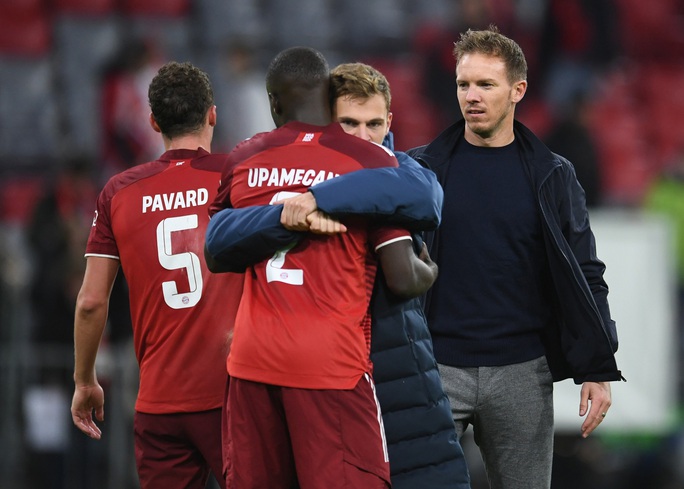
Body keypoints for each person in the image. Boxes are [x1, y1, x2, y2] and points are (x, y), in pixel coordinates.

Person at [205, 46, 444, 489]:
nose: (363, 133)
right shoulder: (370, 164)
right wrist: (429, 273)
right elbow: (413, 246)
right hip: (331, 365)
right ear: (328, 105)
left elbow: (215, 248)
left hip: (251, 362)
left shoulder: (244, 157)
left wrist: (293, 209)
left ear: (274, 104)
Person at [405, 26, 623, 489]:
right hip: (435, 368)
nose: (472, 96)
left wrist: (599, 366)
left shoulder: (553, 175)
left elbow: (586, 272)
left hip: (523, 372)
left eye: (486, 84)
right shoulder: (421, 170)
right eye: (464, 84)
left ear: (517, 90)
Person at [71, 61, 242, 489]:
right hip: (233, 393)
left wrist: (85, 380)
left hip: (159, 403)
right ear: (212, 115)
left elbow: (91, 302)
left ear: (152, 122)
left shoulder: (118, 192)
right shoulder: (237, 175)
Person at [330, 62, 470, 489]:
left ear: (390, 122)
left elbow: (428, 196)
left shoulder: (400, 174)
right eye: (348, 123)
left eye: (374, 123)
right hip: (335, 367)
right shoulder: (307, 174)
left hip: (399, 360)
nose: (362, 136)